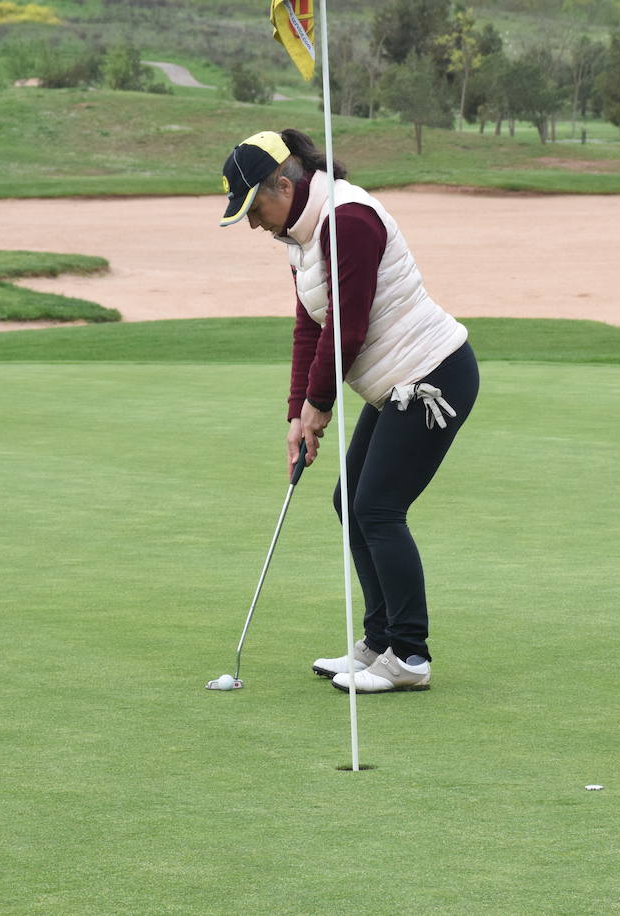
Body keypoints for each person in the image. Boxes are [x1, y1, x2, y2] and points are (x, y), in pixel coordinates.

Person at [219, 129, 479, 694]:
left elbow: (348, 329)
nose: (254, 223)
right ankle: (380, 641)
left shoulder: (348, 221)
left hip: (433, 376)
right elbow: (309, 327)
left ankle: (409, 655)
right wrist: (297, 412)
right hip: (397, 384)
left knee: (379, 507)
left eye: (254, 208)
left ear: (282, 186)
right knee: (351, 501)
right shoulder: (302, 237)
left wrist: (319, 405)